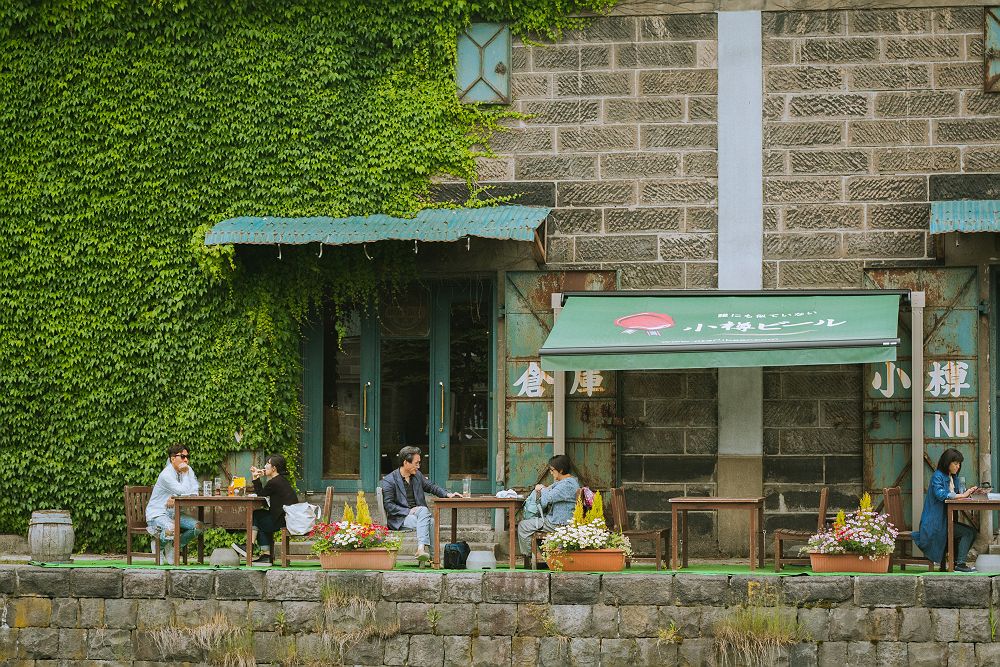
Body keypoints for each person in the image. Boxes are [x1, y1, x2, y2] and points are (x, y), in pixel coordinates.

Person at [380, 446, 461, 564]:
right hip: (400, 518)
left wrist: (448, 494)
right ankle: (433, 558)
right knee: (428, 518)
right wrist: (408, 511)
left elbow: (431, 486)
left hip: (419, 516)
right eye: (416, 463)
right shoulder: (389, 480)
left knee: (428, 518)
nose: (418, 466)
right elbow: (389, 506)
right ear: (406, 462)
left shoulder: (417, 475)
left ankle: (423, 550)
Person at [913, 448, 979, 572]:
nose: (958, 466)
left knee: (971, 532)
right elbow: (941, 494)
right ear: (947, 462)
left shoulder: (953, 477)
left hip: (944, 521)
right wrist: (963, 495)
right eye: (955, 463)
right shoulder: (937, 476)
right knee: (968, 533)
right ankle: (960, 564)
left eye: (959, 464)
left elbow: (956, 495)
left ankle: (957, 562)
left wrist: (969, 493)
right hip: (935, 523)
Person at [231, 454, 298, 565]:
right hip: (286, 518)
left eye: (268, 463)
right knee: (260, 517)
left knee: (256, 516)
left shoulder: (274, 482)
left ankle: (249, 547)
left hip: (282, 520)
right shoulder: (280, 480)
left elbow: (261, 493)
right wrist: (262, 474)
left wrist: (255, 478)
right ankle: (265, 556)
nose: (265, 465)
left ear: (274, 468)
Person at [145, 444, 203, 565]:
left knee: (198, 527)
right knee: (171, 528)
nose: (186, 460)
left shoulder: (187, 469)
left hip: (174, 513)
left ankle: (172, 545)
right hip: (157, 513)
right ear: (172, 459)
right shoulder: (166, 475)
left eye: (187, 457)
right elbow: (183, 491)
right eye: (182, 457)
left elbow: (194, 491)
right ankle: (159, 546)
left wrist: (174, 497)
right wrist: (178, 493)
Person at [517, 454, 581, 559]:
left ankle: (533, 557)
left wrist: (541, 488)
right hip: (559, 520)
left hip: (558, 523)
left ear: (560, 470)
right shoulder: (569, 482)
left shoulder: (566, 485)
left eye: (552, 470)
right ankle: (539, 555)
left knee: (523, 526)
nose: (551, 473)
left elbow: (545, 500)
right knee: (530, 522)